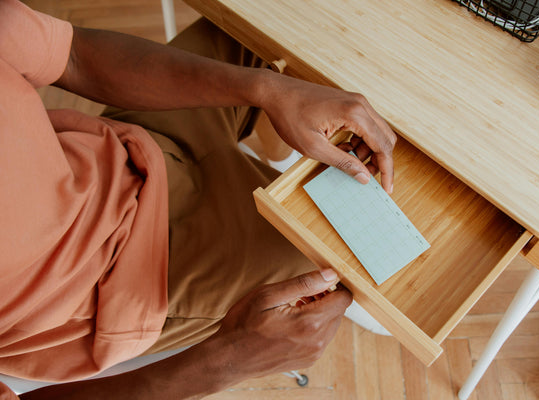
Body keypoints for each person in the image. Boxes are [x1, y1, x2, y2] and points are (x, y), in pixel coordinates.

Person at [0, 0, 397, 398]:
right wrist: (228, 360)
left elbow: (73, 57)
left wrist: (269, 90)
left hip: (124, 147)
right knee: (385, 253)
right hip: (127, 281)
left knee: (284, 17)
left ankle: (273, 150)